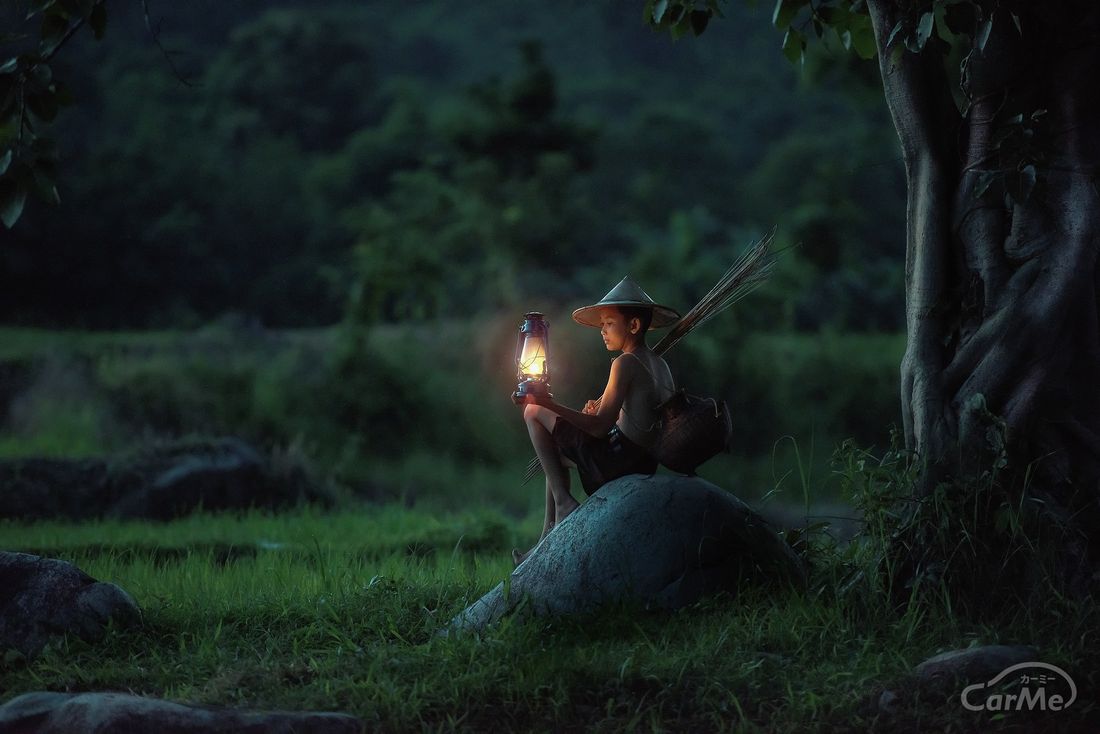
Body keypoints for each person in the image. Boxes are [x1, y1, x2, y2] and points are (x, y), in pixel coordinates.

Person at [513, 277, 679, 566]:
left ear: (634, 326)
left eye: (609, 324)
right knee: (554, 455)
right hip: (643, 460)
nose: (602, 331)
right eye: (602, 325)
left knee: (531, 411)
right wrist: (593, 412)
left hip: (618, 461)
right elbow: (632, 415)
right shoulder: (659, 364)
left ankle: (565, 504)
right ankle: (545, 539)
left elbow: (601, 427)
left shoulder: (624, 363)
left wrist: (548, 403)